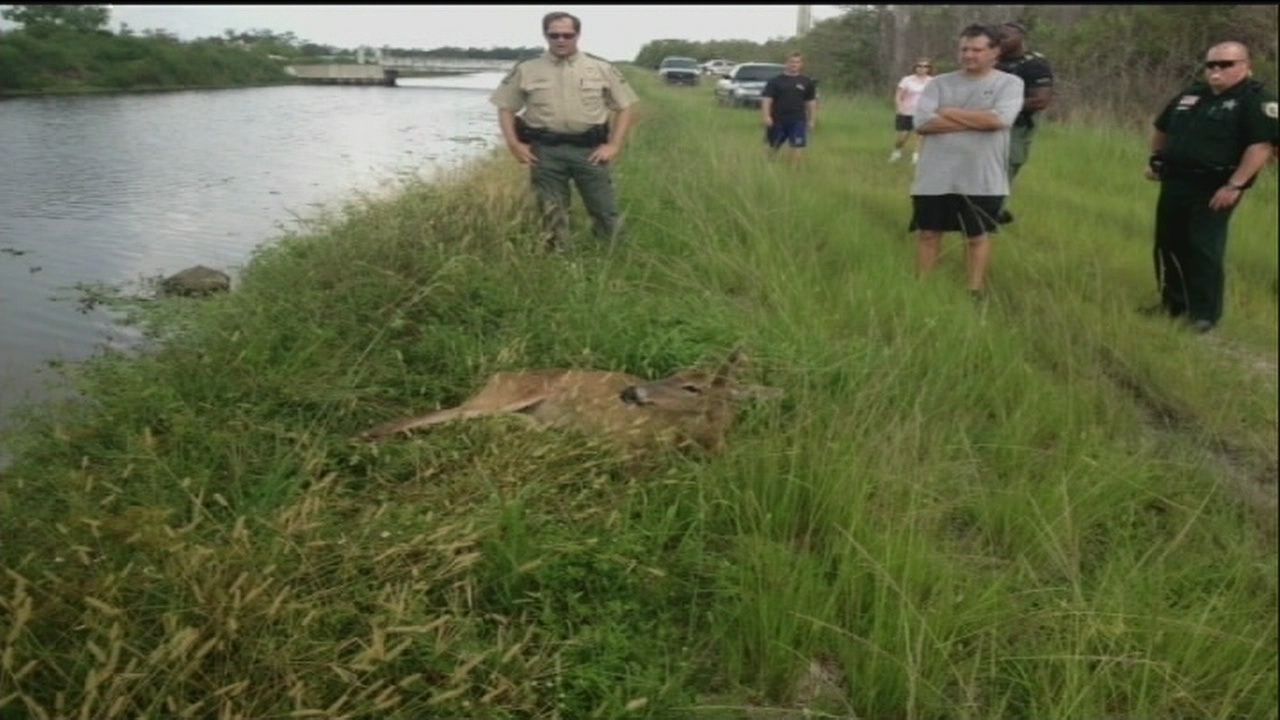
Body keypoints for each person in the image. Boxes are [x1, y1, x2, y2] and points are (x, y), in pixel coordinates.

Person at [1143, 41, 1278, 333]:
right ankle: (1173, 304)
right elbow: (1162, 127)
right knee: (1169, 242)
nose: (1217, 70)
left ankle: (1204, 314)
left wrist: (1235, 185)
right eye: (1211, 64)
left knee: (1203, 248)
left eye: (1226, 64)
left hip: (1216, 185)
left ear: (1245, 66)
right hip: (1177, 179)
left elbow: (1261, 147)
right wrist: (1156, 158)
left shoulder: (1255, 100)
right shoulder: (1192, 95)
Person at [490, 11, 638, 250]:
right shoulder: (527, 69)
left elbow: (625, 107)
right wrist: (514, 144)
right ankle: (559, 260)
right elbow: (505, 107)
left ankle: (614, 256)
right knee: (552, 213)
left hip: (590, 151)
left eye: (567, 35)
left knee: (604, 210)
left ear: (577, 35)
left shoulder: (601, 68)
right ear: (545, 35)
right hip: (545, 152)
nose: (560, 40)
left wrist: (614, 145)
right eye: (554, 35)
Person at [909, 24, 1024, 300]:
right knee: (928, 233)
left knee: (977, 236)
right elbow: (922, 122)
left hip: (983, 177)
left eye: (976, 49)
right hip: (935, 176)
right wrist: (978, 119)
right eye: (964, 49)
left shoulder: (1009, 84)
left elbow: (999, 120)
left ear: (994, 52)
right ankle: (922, 289)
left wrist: (948, 112)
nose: (969, 55)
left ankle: (974, 291)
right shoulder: (939, 83)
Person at [994, 21, 1054, 223]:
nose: (1000, 40)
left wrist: (1003, 106)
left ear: (1021, 35)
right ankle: (992, 211)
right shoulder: (995, 59)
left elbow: (1040, 101)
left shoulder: (1034, 63)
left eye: (1005, 36)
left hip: (1017, 125)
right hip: (988, 122)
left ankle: (992, 214)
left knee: (1007, 166)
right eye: (997, 37)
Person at [760, 52, 818, 162]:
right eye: (791, 62)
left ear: (801, 64)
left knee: (797, 146)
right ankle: (768, 166)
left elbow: (811, 102)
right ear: (786, 63)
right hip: (777, 120)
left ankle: (795, 171)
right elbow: (767, 100)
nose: (794, 64)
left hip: (798, 120)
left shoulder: (807, 82)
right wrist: (766, 116)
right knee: (773, 147)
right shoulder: (775, 81)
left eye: (797, 62)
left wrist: (812, 120)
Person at [890, 58, 933, 163]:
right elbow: (898, 95)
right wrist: (899, 106)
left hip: (922, 112)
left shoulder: (932, 81)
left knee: (920, 135)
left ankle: (916, 156)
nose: (922, 69)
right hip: (907, 112)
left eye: (925, 66)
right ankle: (897, 151)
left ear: (928, 69)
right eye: (919, 66)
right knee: (903, 135)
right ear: (915, 67)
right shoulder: (907, 80)